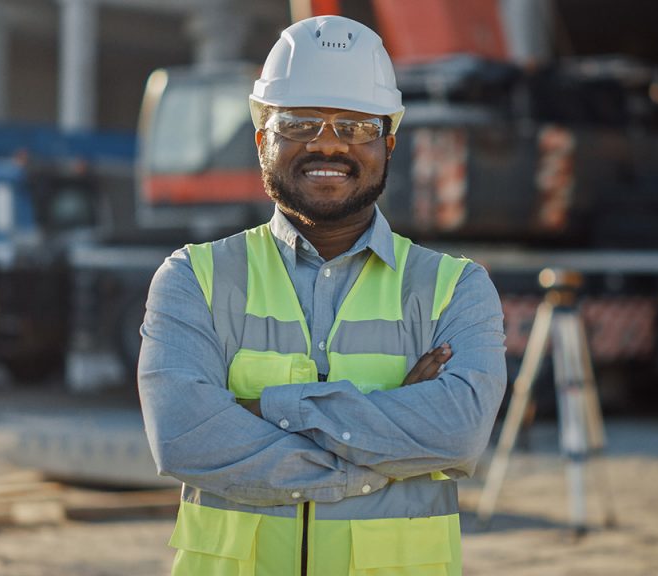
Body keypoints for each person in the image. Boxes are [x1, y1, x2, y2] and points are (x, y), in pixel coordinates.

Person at [137, 14, 507, 576]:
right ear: (263, 139)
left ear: (389, 142)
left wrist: (267, 409)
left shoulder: (455, 289)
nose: (328, 144)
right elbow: (186, 437)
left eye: (355, 127)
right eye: (302, 123)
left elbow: (457, 432)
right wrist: (382, 454)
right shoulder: (194, 278)